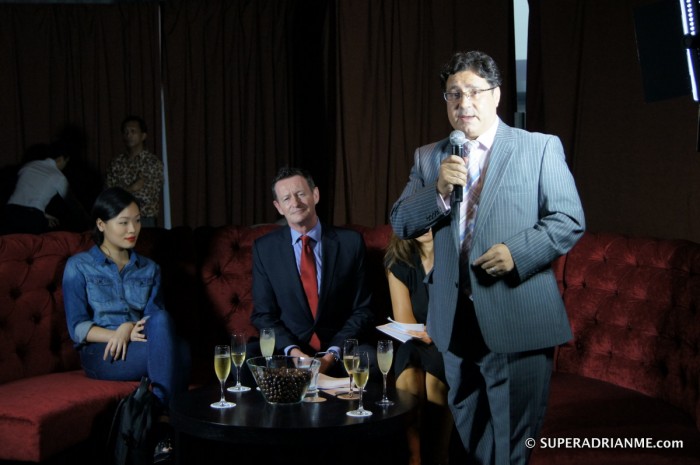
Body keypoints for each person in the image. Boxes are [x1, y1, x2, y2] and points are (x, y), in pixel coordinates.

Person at [390, 50, 585, 465]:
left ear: (496, 95)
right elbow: (401, 222)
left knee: (513, 446)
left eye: (474, 91)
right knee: (471, 436)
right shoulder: (429, 157)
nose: (464, 103)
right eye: (454, 94)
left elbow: (569, 219)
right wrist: (438, 191)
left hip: (517, 319)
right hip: (454, 324)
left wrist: (517, 253)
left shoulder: (539, 148)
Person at [62, 187, 190, 460]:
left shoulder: (150, 268)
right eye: (123, 222)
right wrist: (114, 334)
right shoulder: (79, 266)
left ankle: (158, 421)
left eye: (137, 220)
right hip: (101, 353)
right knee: (181, 352)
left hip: (140, 345)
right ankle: (166, 427)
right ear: (101, 224)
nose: (133, 229)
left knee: (170, 332)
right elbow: (77, 328)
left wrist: (128, 328)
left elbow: (155, 320)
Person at [250, 166, 376, 378]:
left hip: (339, 349)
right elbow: (263, 315)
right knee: (244, 360)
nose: (295, 203)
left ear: (315, 195)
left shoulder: (350, 243)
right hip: (288, 351)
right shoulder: (264, 249)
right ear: (279, 207)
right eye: (286, 198)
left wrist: (331, 354)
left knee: (372, 360)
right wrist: (293, 352)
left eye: (300, 194)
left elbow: (363, 309)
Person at [385, 229, 453, 465]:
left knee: (435, 375)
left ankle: (438, 456)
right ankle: (413, 457)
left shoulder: (456, 255)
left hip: (450, 340)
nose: (424, 227)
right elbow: (404, 320)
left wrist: (437, 332)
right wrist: (426, 333)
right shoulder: (398, 260)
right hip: (416, 341)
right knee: (409, 365)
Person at [105, 115, 163, 227]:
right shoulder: (116, 162)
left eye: (133, 131)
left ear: (143, 136)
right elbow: (109, 194)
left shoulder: (152, 162)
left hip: (143, 219)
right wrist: (132, 188)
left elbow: (147, 196)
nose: (129, 135)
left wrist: (121, 192)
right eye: (126, 132)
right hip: (118, 218)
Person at [2, 142, 71, 234]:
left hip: (9, 213)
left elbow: (24, 197)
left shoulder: (28, 166)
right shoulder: (59, 176)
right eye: (66, 162)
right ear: (61, 159)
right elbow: (71, 204)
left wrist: (43, 215)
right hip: (32, 217)